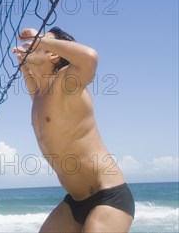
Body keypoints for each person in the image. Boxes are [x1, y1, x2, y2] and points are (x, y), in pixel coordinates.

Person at [12, 27, 135, 233]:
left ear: (53, 53)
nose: (32, 45)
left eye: (41, 44)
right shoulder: (41, 96)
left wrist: (39, 39)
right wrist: (24, 65)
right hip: (75, 202)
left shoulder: (68, 83)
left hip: (108, 196)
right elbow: (33, 87)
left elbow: (90, 56)